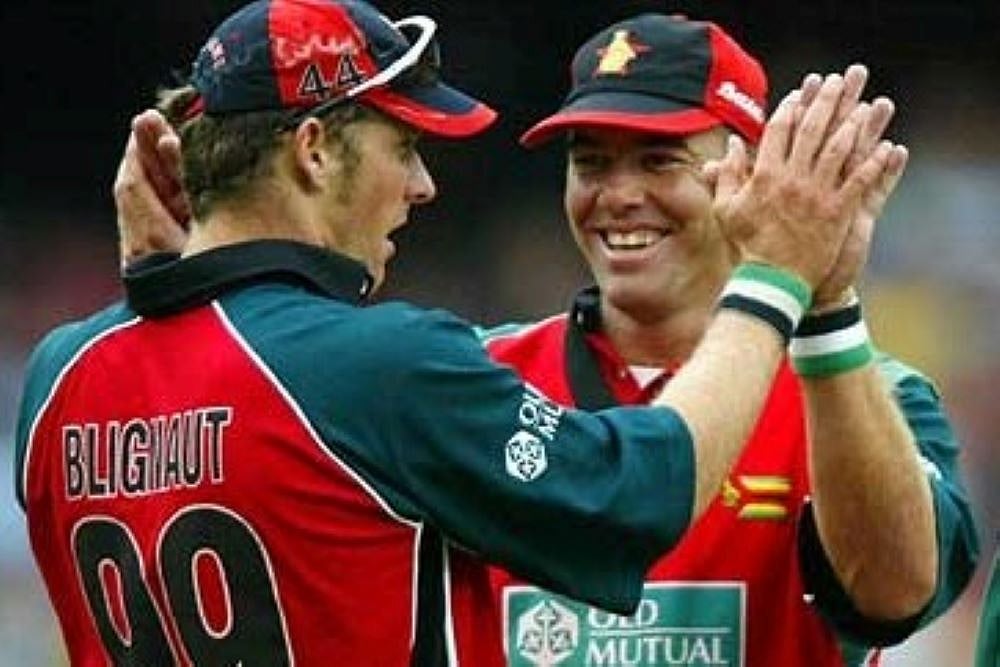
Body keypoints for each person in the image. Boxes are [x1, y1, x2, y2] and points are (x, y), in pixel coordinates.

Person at [73, 5, 911, 667]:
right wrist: (778, 276)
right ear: (315, 151)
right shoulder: (388, 366)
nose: (422, 184)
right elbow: (637, 494)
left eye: (659, 159)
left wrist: (168, 276)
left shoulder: (61, 375)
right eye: (403, 145)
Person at [477, 15, 980, 667]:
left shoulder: (865, 392)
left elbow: (894, 596)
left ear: (750, 173)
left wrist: (826, 305)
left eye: (659, 160)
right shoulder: (479, 378)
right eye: (590, 162)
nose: (619, 194)